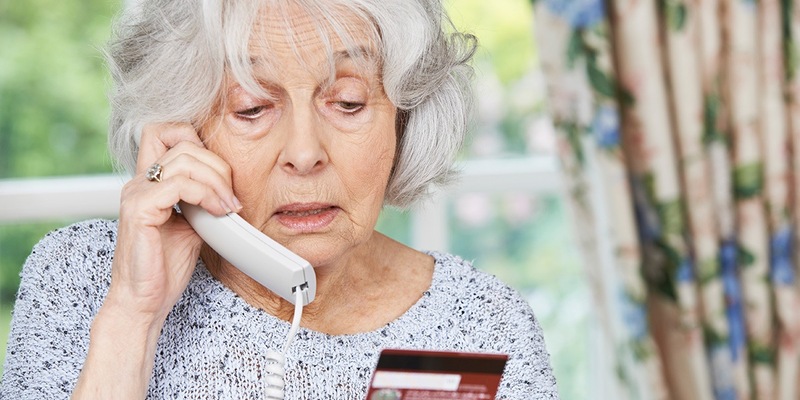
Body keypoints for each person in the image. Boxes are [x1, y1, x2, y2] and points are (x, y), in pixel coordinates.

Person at [0, 0, 558, 398]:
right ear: (182, 131)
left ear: (403, 120)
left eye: (348, 102)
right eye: (251, 108)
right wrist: (133, 316)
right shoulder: (82, 278)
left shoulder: (486, 324)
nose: (304, 153)